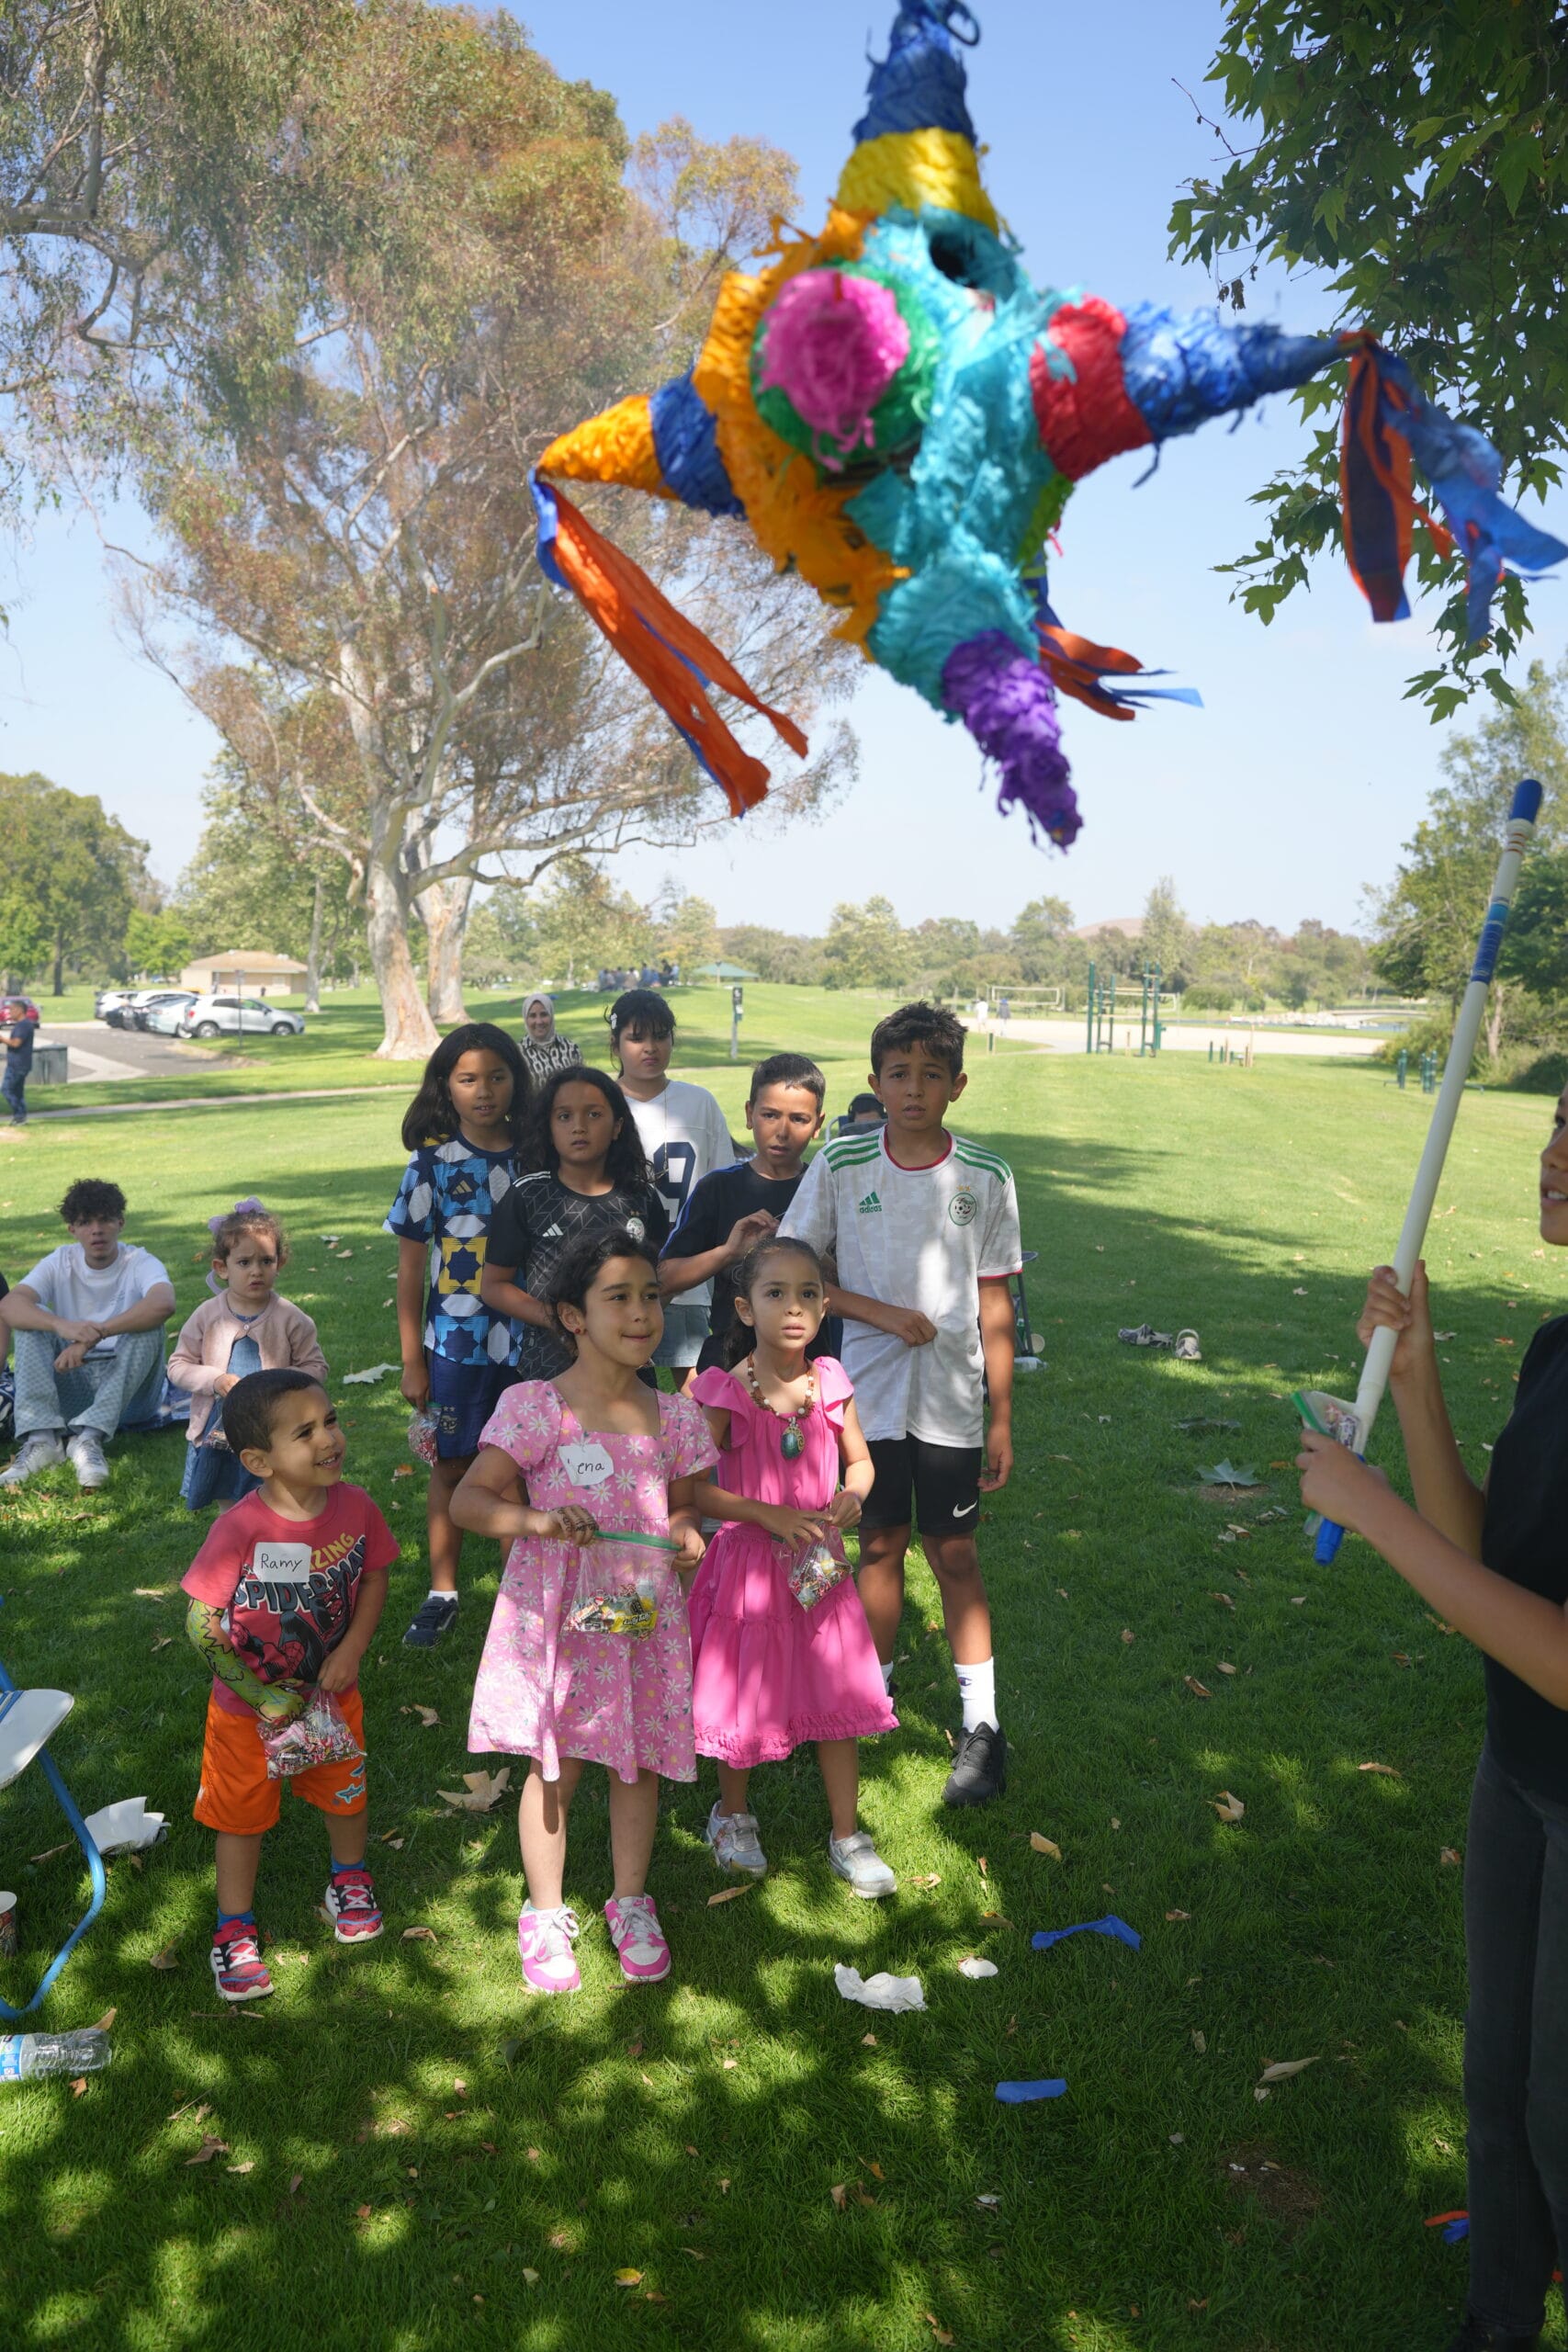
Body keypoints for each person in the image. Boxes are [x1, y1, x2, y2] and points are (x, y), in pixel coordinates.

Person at [1296, 1087, 1568, 2352]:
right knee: (1501, 2088)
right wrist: (1412, 1382)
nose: (1553, 1155)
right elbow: (1488, 1563)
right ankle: (1496, 2321)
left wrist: (1369, 1514)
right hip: (1514, 1769)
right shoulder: (1556, 1348)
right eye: (1559, 1122)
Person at [452, 1229, 714, 1996]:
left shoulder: (674, 1417)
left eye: (651, 1297)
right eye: (618, 1298)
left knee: (636, 1760)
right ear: (571, 1315)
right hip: (556, 1620)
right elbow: (469, 1501)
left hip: (636, 1614)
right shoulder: (536, 1408)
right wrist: (538, 1521)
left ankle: (631, 1902)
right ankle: (542, 1912)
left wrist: (686, 1533)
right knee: (552, 1762)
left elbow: (686, 1507)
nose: (641, 1315)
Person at [781, 1001, 1021, 1807]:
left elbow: (995, 1305)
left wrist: (999, 1415)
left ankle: (982, 1727)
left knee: (952, 1554)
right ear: (874, 1082)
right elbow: (797, 1271)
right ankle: (869, 1702)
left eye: (929, 1074)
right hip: (864, 1401)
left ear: (956, 1083)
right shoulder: (843, 1164)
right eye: (897, 1074)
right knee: (877, 1547)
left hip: (952, 1400)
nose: (912, 1089)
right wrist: (879, 1314)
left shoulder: (985, 1176)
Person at [686, 1235, 896, 1890]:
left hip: (820, 1570)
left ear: (826, 1305)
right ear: (745, 1309)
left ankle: (846, 1832)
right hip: (748, 1570)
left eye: (808, 1293)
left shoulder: (829, 1380)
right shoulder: (724, 1392)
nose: (794, 1306)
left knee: (838, 1689)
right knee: (743, 1695)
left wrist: (851, 1497)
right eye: (775, 1293)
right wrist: (765, 1514)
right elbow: (689, 1485)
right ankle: (733, 1813)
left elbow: (859, 1460)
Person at [181, 1368, 397, 2003]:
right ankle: (234, 1930)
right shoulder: (240, 1529)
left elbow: (377, 1577)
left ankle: (348, 1881)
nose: (328, 1439)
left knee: (345, 1792)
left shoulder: (356, 1507)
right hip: (247, 1713)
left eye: (329, 1421)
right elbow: (200, 1622)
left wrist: (353, 1648)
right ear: (258, 1460)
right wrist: (259, 1695)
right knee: (240, 1817)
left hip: (331, 1699)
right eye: (304, 1432)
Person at [384, 1023, 529, 1649]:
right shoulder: (430, 1166)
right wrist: (412, 1359)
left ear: (516, 1081)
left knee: (523, 1467)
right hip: (456, 1349)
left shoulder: (537, 1156)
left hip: (529, 1345)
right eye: (468, 1078)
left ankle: (520, 1595)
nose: (484, 1090)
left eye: (497, 1076)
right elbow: (412, 1271)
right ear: (446, 1085)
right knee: (453, 1465)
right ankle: (442, 1592)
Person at [480, 1067, 669, 1384]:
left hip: (627, 1370)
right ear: (549, 1129)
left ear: (617, 1126)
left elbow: (659, 1279)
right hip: (550, 1367)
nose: (579, 1127)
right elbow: (493, 1286)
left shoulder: (642, 1197)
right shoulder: (528, 1195)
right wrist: (557, 1319)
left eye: (594, 1115)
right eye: (564, 1117)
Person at [660, 1051, 836, 1374]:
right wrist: (728, 1252)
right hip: (729, 1362)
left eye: (798, 1119)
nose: (782, 1131)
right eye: (770, 1115)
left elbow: (854, 1283)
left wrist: (818, 1261)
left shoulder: (827, 1189)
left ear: (817, 1124)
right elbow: (664, 1278)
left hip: (808, 1367)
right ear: (749, 1113)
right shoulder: (717, 1188)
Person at [0, 1177, 175, 1490]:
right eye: (85, 1222)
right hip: (73, 1382)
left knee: (148, 1328)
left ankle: (88, 1440)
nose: (97, 1230)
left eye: (105, 1219)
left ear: (120, 1222)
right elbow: (10, 1305)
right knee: (31, 1323)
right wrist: (62, 1326)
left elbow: (163, 1303)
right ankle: (42, 1441)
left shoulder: (139, 1261)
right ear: (73, 1229)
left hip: (131, 1394)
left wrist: (94, 1335)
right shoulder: (60, 1261)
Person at [606, 988, 734, 1388]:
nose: (650, 1048)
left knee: (695, 1390)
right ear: (616, 1043)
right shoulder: (599, 1103)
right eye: (637, 1037)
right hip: (617, 1266)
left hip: (689, 1269)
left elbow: (722, 1185)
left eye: (661, 1036)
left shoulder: (699, 1103)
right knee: (623, 1389)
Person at [169, 1198, 328, 1514]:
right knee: (231, 1502)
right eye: (244, 1263)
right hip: (221, 1430)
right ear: (221, 1268)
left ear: (279, 1264)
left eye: (266, 1261)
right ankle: (235, 1552)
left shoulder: (290, 1318)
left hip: (276, 1427)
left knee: (278, 1498)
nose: (256, 1271)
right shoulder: (207, 1316)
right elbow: (177, 1365)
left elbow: (316, 1366)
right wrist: (214, 1380)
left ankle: (278, 1554)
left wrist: (282, 1384)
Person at [518, 990, 583, 1088]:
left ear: (551, 1016)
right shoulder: (518, 1054)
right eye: (532, 1016)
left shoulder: (570, 1048)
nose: (539, 1021)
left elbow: (582, 1084)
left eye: (544, 1014)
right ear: (525, 1019)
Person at [2, 999, 32, 1126]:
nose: (9, 1012)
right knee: (18, 1092)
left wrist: (2, 1039)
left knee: (7, 1089)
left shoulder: (23, 1025)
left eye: (12, 1009)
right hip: (20, 1063)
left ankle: (19, 1116)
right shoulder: (24, 1024)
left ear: (20, 1010)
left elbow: (16, 1043)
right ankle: (21, 1118)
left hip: (18, 1064)